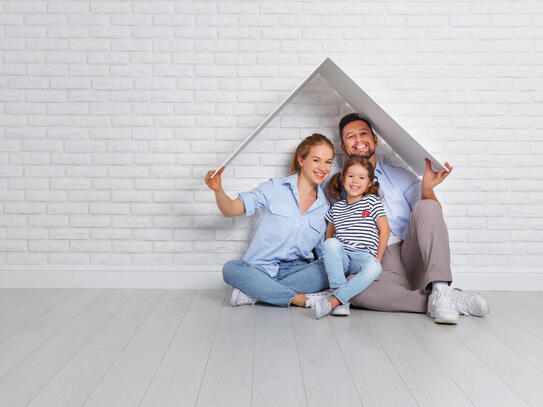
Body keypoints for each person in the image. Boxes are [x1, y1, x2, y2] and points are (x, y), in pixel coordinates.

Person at [327, 113, 489, 324]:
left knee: (427, 205)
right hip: (374, 261)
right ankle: (448, 300)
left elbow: (432, 215)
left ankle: (440, 287)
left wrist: (428, 189)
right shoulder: (337, 186)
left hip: (411, 254)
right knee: (351, 291)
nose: (358, 141)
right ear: (343, 147)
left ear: (375, 140)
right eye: (350, 136)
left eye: (363, 133)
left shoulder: (401, 176)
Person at [205, 134, 335, 307]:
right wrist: (218, 190)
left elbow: (321, 252)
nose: (323, 167)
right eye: (317, 160)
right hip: (260, 269)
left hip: (296, 271)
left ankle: (255, 294)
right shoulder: (274, 188)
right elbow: (230, 210)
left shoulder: (324, 208)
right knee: (230, 269)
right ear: (301, 160)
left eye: (328, 162)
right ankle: (300, 299)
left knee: (329, 269)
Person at [313, 157, 391, 319]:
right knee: (331, 243)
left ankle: (335, 301)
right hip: (343, 257)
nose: (355, 181)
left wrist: (378, 258)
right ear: (343, 179)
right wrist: (329, 253)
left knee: (375, 267)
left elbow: (385, 230)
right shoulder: (337, 207)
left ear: (369, 183)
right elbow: (329, 234)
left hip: (363, 257)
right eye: (351, 176)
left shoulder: (371, 201)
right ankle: (339, 295)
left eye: (361, 178)